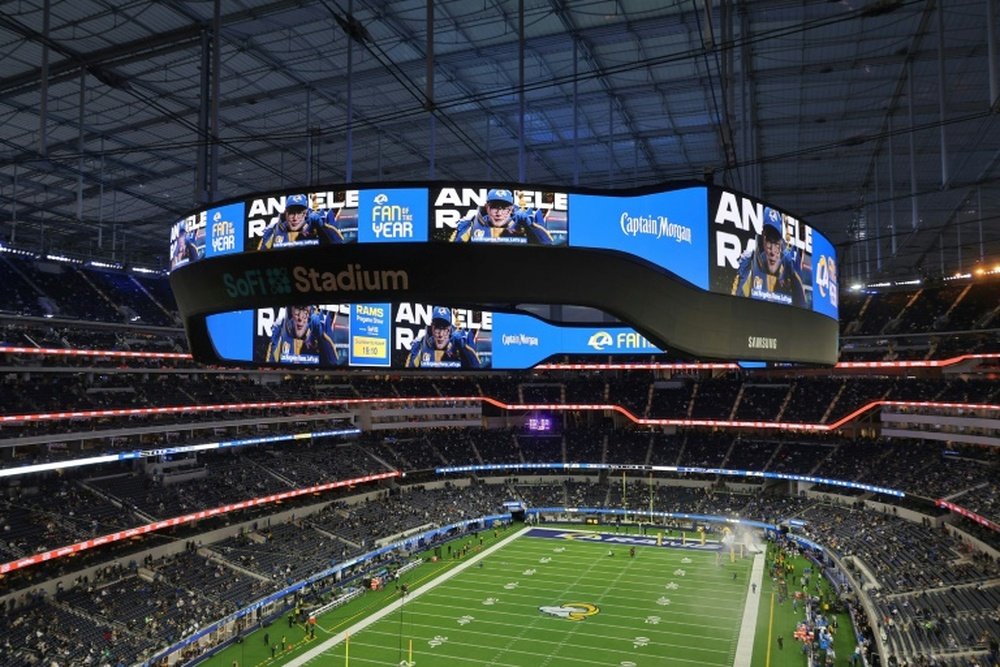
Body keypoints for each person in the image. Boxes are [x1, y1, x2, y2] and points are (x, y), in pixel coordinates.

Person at [731, 207, 806, 307]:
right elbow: (735, 304)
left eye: (776, 242)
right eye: (769, 241)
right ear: (763, 237)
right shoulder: (749, 264)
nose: (772, 251)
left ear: (781, 243)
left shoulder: (790, 269)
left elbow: (802, 305)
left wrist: (793, 274)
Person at [451, 188, 554, 244]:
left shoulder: (523, 223)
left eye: (504, 208)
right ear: (487, 208)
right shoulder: (474, 223)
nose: (499, 213)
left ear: (511, 210)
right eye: (494, 207)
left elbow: (547, 244)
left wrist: (530, 225)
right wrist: (466, 224)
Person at [404, 306, 481, 369]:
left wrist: (463, 346)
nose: (440, 335)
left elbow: (477, 367)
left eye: (444, 329)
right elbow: (407, 372)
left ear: (449, 330)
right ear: (432, 328)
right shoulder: (419, 344)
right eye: (437, 328)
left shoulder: (461, 341)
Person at [264, 305, 342, 366]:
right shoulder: (281, 327)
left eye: (305, 311)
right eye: (298, 311)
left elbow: (333, 361)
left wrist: (319, 333)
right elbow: (270, 362)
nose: (300, 318)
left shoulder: (317, 325)